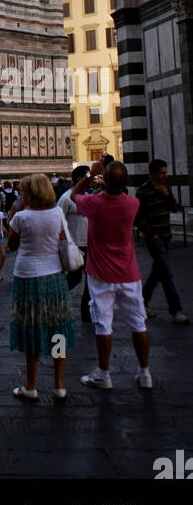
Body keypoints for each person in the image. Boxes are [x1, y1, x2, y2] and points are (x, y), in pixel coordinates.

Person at [70, 161, 151, 389]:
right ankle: (145, 374)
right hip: (129, 273)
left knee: (103, 325)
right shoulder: (132, 204)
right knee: (138, 322)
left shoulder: (94, 203)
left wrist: (90, 175)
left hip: (100, 273)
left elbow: (74, 195)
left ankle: (103, 374)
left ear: (104, 180)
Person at [6, 172, 77, 400]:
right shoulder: (57, 213)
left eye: (23, 191)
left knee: (31, 329)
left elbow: (12, 245)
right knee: (57, 328)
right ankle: (59, 384)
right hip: (54, 276)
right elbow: (64, 239)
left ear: (30, 193)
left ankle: (31, 385)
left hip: (28, 277)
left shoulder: (21, 217)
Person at [137, 158, 188, 324]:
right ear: (152, 173)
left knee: (157, 272)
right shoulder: (143, 191)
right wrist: (151, 233)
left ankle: (142, 302)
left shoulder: (166, 188)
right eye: (162, 173)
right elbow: (139, 217)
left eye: (166, 173)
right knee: (166, 273)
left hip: (166, 235)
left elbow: (174, 208)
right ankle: (176, 310)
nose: (165, 176)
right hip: (155, 238)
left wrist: (166, 194)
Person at [58, 165, 92, 322]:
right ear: (80, 179)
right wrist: (64, 242)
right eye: (89, 176)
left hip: (90, 245)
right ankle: (55, 299)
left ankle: (87, 313)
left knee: (91, 280)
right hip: (75, 246)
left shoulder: (89, 197)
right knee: (75, 278)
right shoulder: (66, 198)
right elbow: (58, 219)